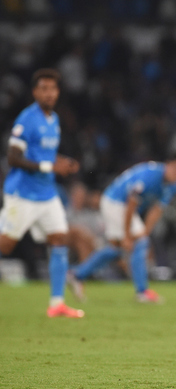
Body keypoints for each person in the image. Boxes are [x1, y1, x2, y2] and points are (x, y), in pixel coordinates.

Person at [0, 68, 83, 318]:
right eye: (44, 88)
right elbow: (13, 158)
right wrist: (50, 166)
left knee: (60, 239)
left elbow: (45, 155)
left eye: (53, 89)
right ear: (35, 91)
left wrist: (62, 162)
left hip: (47, 194)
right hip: (22, 194)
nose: (49, 93)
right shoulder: (27, 119)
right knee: (5, 246)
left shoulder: (54, 120)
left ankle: (56, 303)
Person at [67, 155, 176, 303]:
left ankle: (76, 274)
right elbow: (131, 204)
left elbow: (157, 210)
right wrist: (128, 235)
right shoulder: (150, 175)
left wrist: (146, 230)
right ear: (168, 165)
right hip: (115, 203)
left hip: (123, 207)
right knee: (140, 243)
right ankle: (142, 292)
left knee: (117, 249)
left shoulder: (174, 184)